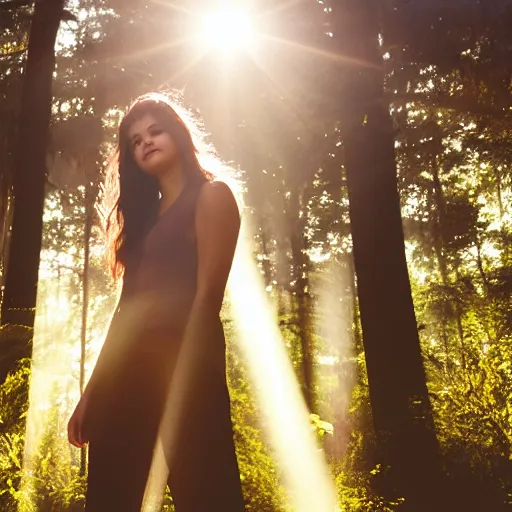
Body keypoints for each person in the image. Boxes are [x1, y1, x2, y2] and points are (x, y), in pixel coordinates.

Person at [67, 92, 245, 511]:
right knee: (111, 491)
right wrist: (91, 394)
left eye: (154, 131)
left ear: (178, 135)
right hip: (126, 374)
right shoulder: (143, 224)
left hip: (187, 366)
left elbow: (206, 299)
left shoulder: (212, 196)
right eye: (134, 140)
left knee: (205, 489)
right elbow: (126, 311)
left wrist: (184, 379)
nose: (145, 142)